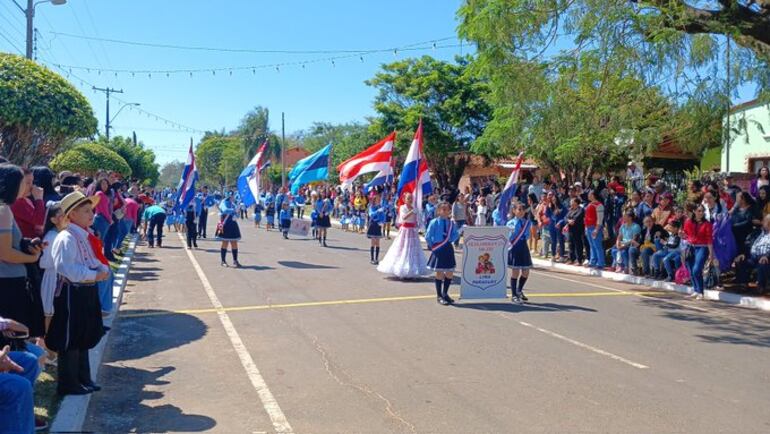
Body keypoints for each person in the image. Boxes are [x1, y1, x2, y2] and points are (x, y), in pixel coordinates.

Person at [47, 191, 109, 396]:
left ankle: (83, 378)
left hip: (85, 291)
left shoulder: (83, 235)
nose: (91, 214)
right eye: (86, 211)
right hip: (72, 292)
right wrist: (93, 275)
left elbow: (90, 260)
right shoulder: (66, 237)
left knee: (84, 335)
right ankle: (68, 383)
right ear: (72, 215)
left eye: (91, 210)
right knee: (71, 337)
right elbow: (67, 268)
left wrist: (102, 269)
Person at [0, 164, 46, 351]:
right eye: (23, 182)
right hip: (9, 282)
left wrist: (26, 244)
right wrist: (32, 258)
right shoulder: (3, 210)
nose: (28, 186)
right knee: (13, 342)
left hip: (8, 280)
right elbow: (5, 253)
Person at [378, 192, 429, 279]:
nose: (410, 200)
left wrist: (418, 219)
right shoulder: (403, 207)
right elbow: (403, 218)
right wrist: (412, 212)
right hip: (405, 230)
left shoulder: (414, 208)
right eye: (408, 198)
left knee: (412, 250)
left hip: (412, 231)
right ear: (404, 199)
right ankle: (401, 270)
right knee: (403, 248)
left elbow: (417, 221)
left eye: (411, 198)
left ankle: (412, 270)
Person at [40, 202, 67, 345]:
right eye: (61, 215)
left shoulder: (62, 234)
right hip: (52, 278)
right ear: (53, 220)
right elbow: (44, 262)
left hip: (59, 277)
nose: (66, 217)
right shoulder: (51, 236)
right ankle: (45, 345)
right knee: (48, 312)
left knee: (55, 312)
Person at [426, 202, 459, 305]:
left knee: (449, 273)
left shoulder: (451, 223)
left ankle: (445, 294)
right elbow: (428, 236)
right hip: (438, 248)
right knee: (440, 273)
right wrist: (432, 247)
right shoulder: (434, 222)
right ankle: (439, 296)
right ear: (438, 211)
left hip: (448, 248)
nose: (445, 211)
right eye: (443, 209)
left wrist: (453, 237)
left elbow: (455, 235)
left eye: (447, 209)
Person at [683, 205, 715, 299]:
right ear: (694, 211)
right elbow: (685, 235)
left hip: (702, 248)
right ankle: (696, 290)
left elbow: (709, 239)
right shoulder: (688, 222)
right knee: (690, 269)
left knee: (696, 269)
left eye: (702, 211)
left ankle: (700, 291)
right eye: (699, 211)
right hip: (690, 247)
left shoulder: (707, 224)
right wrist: (682, 235)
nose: (701, 213)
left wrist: (711, 254)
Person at [734, 215, 770, 294]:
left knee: (763, 263)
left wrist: (767, 256)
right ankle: (743, 284)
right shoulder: (757, 232)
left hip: (766, 257)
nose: (762, 222)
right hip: (752, 256)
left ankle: (761, 285)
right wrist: (743, 253)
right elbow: (748, 243)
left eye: (764, 221)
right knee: (742, 260)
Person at [506, 203, 533, 303]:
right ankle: (514, 295)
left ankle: (519, 290)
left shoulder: (527, 223)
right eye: (519, 209)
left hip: (523, 246)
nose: (521, 212)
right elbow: (509, 237)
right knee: (515, 272)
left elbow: (527, 235)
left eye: (523, 210)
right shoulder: (510, 223)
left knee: (526, 272)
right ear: (514, 211)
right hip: (515, 247)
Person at [217, 193, 242, 267]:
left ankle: (235, 260)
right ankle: (223, 261)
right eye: (231, 196)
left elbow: (237, 213)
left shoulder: (233, 204)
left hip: (233, 224)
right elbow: (225, 210)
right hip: (226, 224)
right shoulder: (223, 202)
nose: (233, 197)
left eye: (233, 195)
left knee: (234, 243)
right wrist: (234, 210)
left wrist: (237, 214)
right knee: (225, 242)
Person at [584, 190, 605, 269]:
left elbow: (600, 219)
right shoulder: (589, 204)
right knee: (592, 245)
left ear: (593, 195)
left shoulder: (599, 205)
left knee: (598, 246)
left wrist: (596, 229)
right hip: (588, 227)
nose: (588, 195)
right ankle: (593, 261)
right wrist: (586, 228)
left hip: (594, 227)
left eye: (589, 194)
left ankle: (600, 263)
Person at [366, 194, 386, 265]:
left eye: (379, 199)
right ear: (374, 200)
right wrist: (377, 211)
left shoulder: (380, 207)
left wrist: (382, 222)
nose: (379, 200)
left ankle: (376, 259)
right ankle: (372, 259)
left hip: (378, 225)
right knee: (373, 242)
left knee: (377, 242)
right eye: (378, 199)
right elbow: (371, 214)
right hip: (373, 224)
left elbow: (383, 216)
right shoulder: (371, 207)